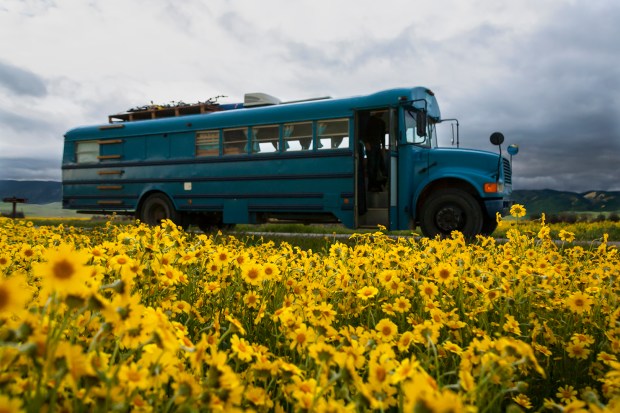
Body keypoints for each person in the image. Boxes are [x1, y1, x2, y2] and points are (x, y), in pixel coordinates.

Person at [363, 112, 387, 192]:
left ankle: (375, 184)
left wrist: (383, 147)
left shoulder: (382, 123)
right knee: (372, 165)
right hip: (371, 145)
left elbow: (382, 136)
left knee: (377, 165)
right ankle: (371, 185)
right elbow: (364, 132)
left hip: (377, 146)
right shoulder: (369, 120)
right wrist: (366, 143)